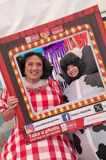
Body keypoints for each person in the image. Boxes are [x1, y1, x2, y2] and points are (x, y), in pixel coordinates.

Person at [0, 51, 77, 160]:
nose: (35, 68)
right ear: (23, 67)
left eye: (38, 64)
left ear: (43, 66)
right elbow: (5, 117)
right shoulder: (12, 87)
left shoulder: (53, 84)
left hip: (54, 137)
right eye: (30, 64)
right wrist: (12, 108)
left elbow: (63, 110)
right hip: (24, 140)